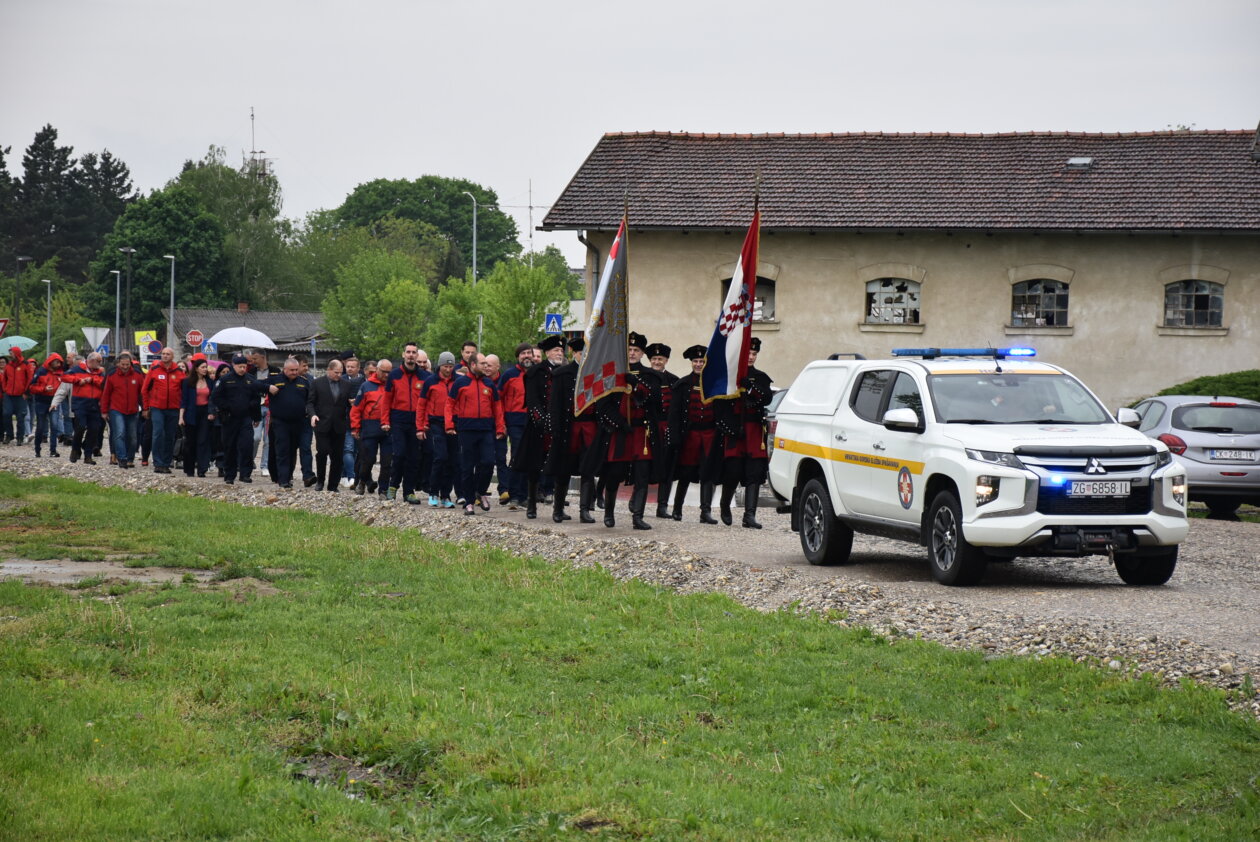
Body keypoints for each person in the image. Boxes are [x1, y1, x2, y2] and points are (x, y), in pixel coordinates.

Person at [714, 337, 774, 528]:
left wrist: (751, 388)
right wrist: (727, 426)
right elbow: (719, 403)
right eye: (748, 353)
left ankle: (749, 515)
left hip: (754, 431)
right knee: (733, 471)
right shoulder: (730, 376)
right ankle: (725, 504)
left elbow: (766, 398)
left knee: (754, 472)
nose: (751, 357)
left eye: (754, 354)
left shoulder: (761, 377)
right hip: (735, 431)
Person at [544, 338, 600, 523]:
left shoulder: (596, 372)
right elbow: (555, 405)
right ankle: (558, 509)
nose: (584, 356)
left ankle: (585, 510)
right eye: (580, 353)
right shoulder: (562, 374)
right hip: (569, 428)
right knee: (563, 470)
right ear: (574, 353)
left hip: (589, 427)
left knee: (588, 470)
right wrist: (556, 430)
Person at [445, 352, 505, 515]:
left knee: (487, 462)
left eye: (487, 363)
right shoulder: (460, 383)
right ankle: (469, 501)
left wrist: (500, 428)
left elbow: (497, 407)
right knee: (467, 466)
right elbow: (449, 404)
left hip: (486, 429)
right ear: (472, 365)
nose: (486, 366)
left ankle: (481, 491)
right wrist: (449, 425)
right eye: (482, 363)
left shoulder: (489, 384)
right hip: (466, 430)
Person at [669, 345, 721, 523]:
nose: (698, 364)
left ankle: (705, 512)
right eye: (696, 361)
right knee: (685, 472)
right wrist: (674, 437)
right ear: (691, 363)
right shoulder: (682, 384)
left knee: (707, 473)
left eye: (701, 361)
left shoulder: (714, 384)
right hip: (690, 435)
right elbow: (674, 414)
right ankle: (677, 509)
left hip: (709, 434)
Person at [514, 336, 564, 519]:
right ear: (548, 352)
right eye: (556, 350)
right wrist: (542, 422)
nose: (560, 353)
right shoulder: (535, 372)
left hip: (560, 427)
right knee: (534, 467)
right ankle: (532, 505)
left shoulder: (566, 371)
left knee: (560, 468)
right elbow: (532, 400)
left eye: (561, 350)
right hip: (538, 427)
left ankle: (559, 509)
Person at [209, 354, 269, 484]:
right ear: (233, 366)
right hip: (230, 418)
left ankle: (245, 474)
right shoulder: (225, 380)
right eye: (240, 366)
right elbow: (215, 397)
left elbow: (256, 398)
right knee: (230, 447)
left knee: (247, 446)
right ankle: (229, 475)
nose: (242, 369)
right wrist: (227, 407)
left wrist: (256, 416)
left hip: (246, 418)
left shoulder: (250, 379)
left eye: (244, 366)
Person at [385, 342, 428, 504]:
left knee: (414, 457)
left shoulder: (424, 377)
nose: (411, 355)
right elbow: (387, 400)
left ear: (417, 355)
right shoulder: (394, 375)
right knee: (399, 454)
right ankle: (393, 486)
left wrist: (424, 423)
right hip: (398, 420)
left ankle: (409, 491)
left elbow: (427, 402)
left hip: (416, 422)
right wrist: (385, 420)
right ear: (403, 354)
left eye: (413, 352)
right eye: (408, 352)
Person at [266, 358, 314, 489]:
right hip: (280, 422)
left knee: (293, 450)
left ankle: (290, 476)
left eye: (296, 370)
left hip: (299, 422)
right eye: (291, 370)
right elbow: (254, 385)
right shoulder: (275, 379)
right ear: (284, 369)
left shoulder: (303, 382)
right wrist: (268, 387)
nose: (294, 372)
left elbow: (310, 399)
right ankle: (283, 480)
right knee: (283, 451)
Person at [420, 352, 458, 507]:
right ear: (440, 366)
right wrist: (421, 425)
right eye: (445, 366)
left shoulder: (458, 381)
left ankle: (446, 495)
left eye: (450, 366)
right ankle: (433, 491)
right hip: (435, 423)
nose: (448, 370)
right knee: (440, 457)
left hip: (453, 424)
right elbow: (421, 405)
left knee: (451, 460)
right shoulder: (430, 382)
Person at [645, 342, 679, 517]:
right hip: (648, 428)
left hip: (666, 428)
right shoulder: (643, 377)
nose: (657, 362)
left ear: (666, 360)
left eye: (660, 359)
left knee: (667, 467)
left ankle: (662, 506)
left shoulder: (674, 381)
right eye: (654, 358)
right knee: (644, 466)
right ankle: (637, 502)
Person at [497, 342, 533, 507]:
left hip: (532, 420)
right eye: (523, 353)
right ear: (518, 357)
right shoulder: (509, 375)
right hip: (514, 420)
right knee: (517, 456)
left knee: (529, 458)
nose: (526, 356)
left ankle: (525, 495)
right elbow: (499, 399)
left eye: (529, 353)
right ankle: (514, 494)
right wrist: (502, 422)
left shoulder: (536, 373)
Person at [350, 359, 392, 495]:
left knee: (387, 461)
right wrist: (355, 428)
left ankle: (383, 489)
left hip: (388, 427)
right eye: (384, 372)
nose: (386, 375)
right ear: (377, 370)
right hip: (370, 426)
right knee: (368, 459)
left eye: (388, 372)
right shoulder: (366, 386)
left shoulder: (392, 386)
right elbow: (356, 409)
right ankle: (362, 481)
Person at [141, 346, 186, 474]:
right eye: (163, 354)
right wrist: (145, 408)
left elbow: (184, 392)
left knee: (170, 436)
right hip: (157, 408)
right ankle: (158, 462)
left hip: (173, 408)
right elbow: (144, 390)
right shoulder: (154, 370)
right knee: (158, 434)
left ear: (172, 357)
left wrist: (182, 408)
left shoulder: (178, 372)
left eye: (168, 354)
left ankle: (166, 463)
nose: (165, 356)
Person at [311, 359, 353, 491]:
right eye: (336, 372)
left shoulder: (346, 384)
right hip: (322, 423)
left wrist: (352, 404)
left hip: (339, 425)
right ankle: (320, 481)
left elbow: (348, 404)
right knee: (322, 452)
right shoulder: (317, 383)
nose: (339, 375)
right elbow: (310, 402)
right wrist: (312, 414)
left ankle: (333, 485)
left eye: (341, 373)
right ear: (328, 370)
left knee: (337, 456)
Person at [101, 352, 145, 468]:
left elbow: (142, 394)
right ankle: (122, 458)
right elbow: (106, 394)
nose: (125, 367)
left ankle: (130, 458)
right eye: (122, 364)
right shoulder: (112, 375)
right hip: (116, 409)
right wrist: (104, 411)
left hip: (133, 409)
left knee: (132, 436)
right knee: (119, 433)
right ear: (118, 364)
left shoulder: (137, 375)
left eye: (127, 365)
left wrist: (145, 408)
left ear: (130, 364)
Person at [246, 349, 281, 477]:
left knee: (268, 439)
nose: (253, 361)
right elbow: (250, 387)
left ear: (263, 357)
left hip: (270, 407)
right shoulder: (250, 372)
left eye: (255, 359)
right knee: (255, 438)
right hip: (255, 407)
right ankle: (249, 461)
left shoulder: (275, 371)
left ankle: (264, 465)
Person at [179, 355, 214, 477]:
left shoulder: (210, 382)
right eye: (203, 367)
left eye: (206, 367)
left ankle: (202, 468)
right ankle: (189, 468)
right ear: (196, 369)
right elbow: (183, 400)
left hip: (204, 413)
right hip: (191, 413)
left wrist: (211, 412)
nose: (205, 369)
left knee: (203, 441)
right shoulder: (187, 382)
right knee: (190, 442)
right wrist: (181, 416)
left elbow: (212, 399)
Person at [28, 352, 66, 457]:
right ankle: (37, 449)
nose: (58, 364)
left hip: (54, 402)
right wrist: (44, 389)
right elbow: (31, 387)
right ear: (51, 361)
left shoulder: (60, 373)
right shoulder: (41, 372)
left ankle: (53, 450)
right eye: (56, 362)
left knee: (54, 426)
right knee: (40, 426)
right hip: (41, 402)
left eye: (59, 362)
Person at [339, 352, 363, 488]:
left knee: (356, 451)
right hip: (345, 419)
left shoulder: (364, 381)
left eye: (352, 367)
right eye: (347, 366)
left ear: (358, 368)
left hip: (360, 421)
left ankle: (345, 474)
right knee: (348, 449)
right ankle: (351, 476)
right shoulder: (341, 380)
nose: (349, 369)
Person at [3, 346, 33, 444]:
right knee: (6, 414)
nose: (10, 355)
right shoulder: (8, 366)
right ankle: (9, 435)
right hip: (9, 395)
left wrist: (26, 392)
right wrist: (5, 389)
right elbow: (4, 379)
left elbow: (30, 379)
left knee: (21, 416)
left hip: (21, 395)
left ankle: (20, 437)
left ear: (16, 353)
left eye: (11, 353)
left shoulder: (26, 365)